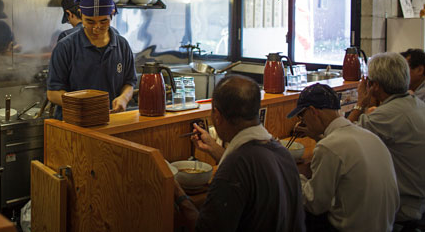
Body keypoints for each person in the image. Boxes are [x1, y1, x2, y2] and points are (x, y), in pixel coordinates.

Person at [174, 75, 305, 232]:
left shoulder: (235, 166)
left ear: (217, 115)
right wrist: (212, 147)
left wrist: (179, 195)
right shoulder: (282, 152)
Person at [287, 83, 399, 232]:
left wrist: (293, 173)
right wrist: (318, 137)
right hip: (386, 225)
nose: (302, 121)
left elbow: (314, 203)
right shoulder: (368, 136)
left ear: (313, 112)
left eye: (302, 115)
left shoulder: (329, 147)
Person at [347, 52, 425, 225]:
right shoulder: (416, 104)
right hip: (419, 198)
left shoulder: (385, 116)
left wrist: (360, 103)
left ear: (374, 85)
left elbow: (341, 139)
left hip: (405, 205)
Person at [47, 0, 137, 119]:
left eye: (103, 21)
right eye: (90, 22)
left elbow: (129, 83)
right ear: (81, 14)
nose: (96, 28)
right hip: (74, 124)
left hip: (111, 121)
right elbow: (53, 93)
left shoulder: (121, 45)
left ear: (112, 14)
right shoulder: (66, 47)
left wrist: (124, 98)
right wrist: (82, 106)